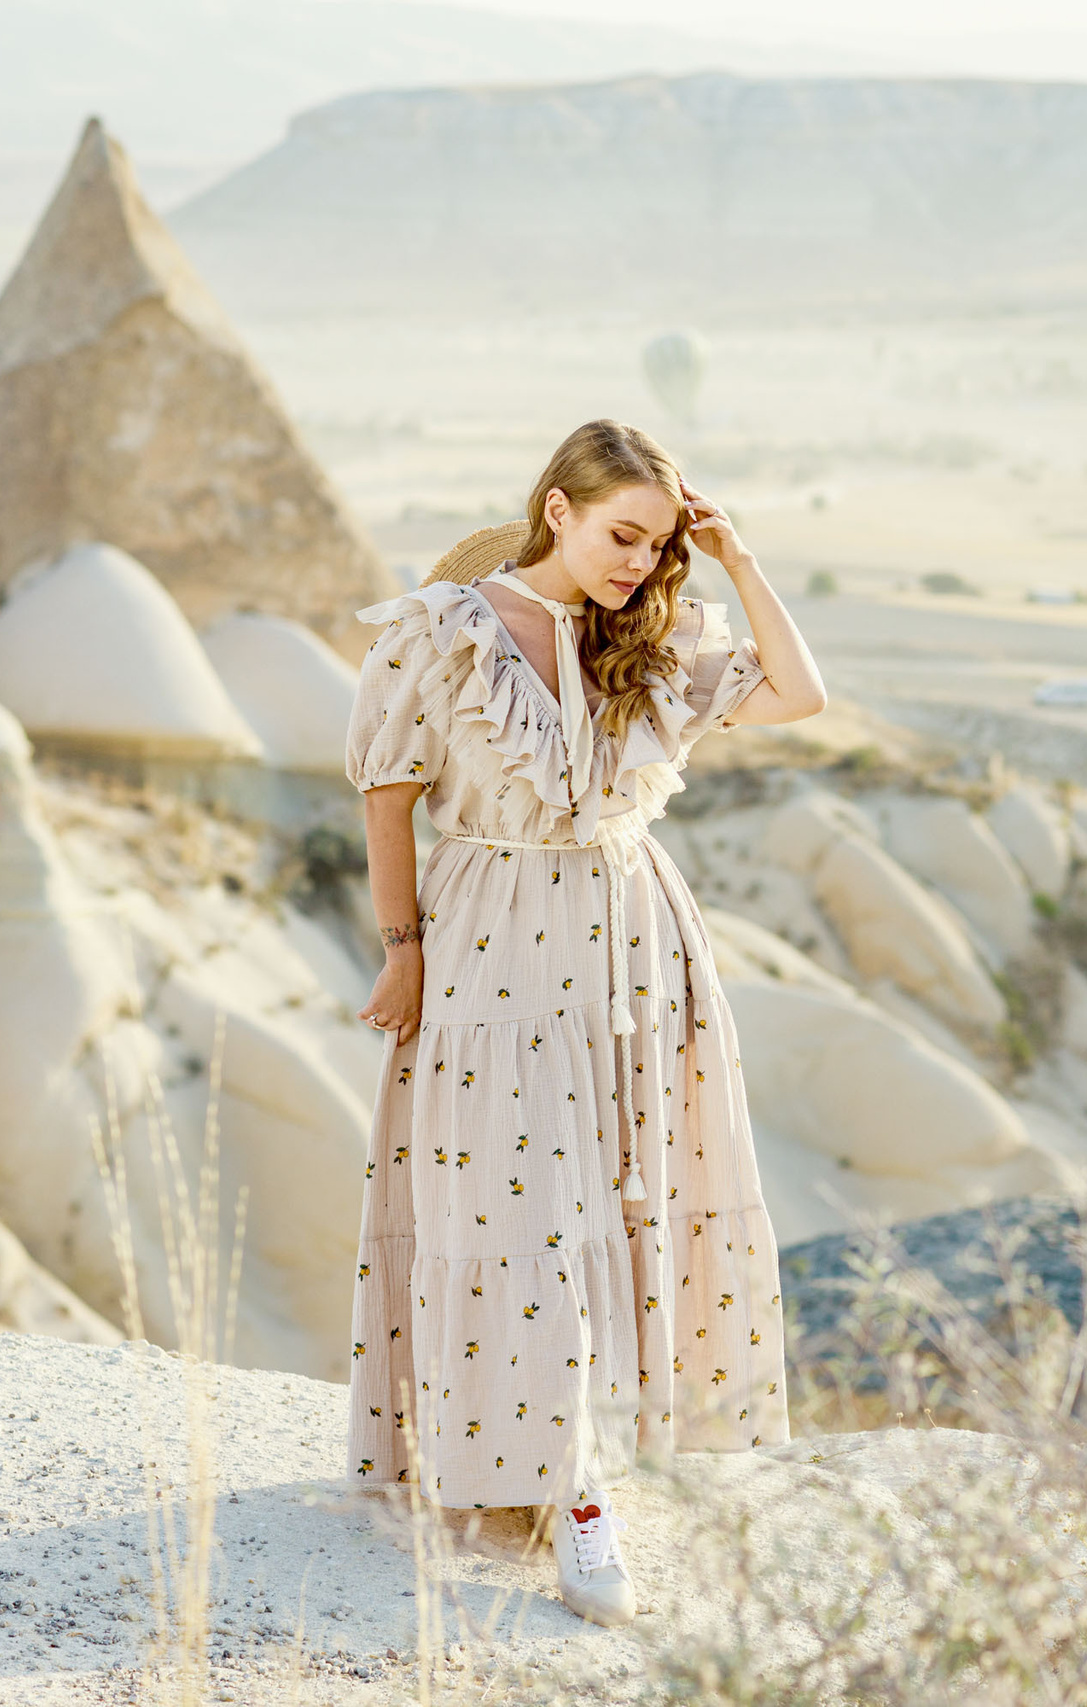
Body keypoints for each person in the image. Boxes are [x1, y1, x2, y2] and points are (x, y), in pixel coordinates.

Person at [343, 418, 826, 1625]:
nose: (636, 564)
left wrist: (736, 559)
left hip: (631, 943)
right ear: (555, 508)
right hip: (490, 940)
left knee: (619, 1199)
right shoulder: (437, 634)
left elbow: (801, 695)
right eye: (622, 535)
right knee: (521, 1213)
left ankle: (567, 1475)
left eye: (657, 546)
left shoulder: (651, 645)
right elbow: (387, 805)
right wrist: (402, 953)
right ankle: (575, 1495)